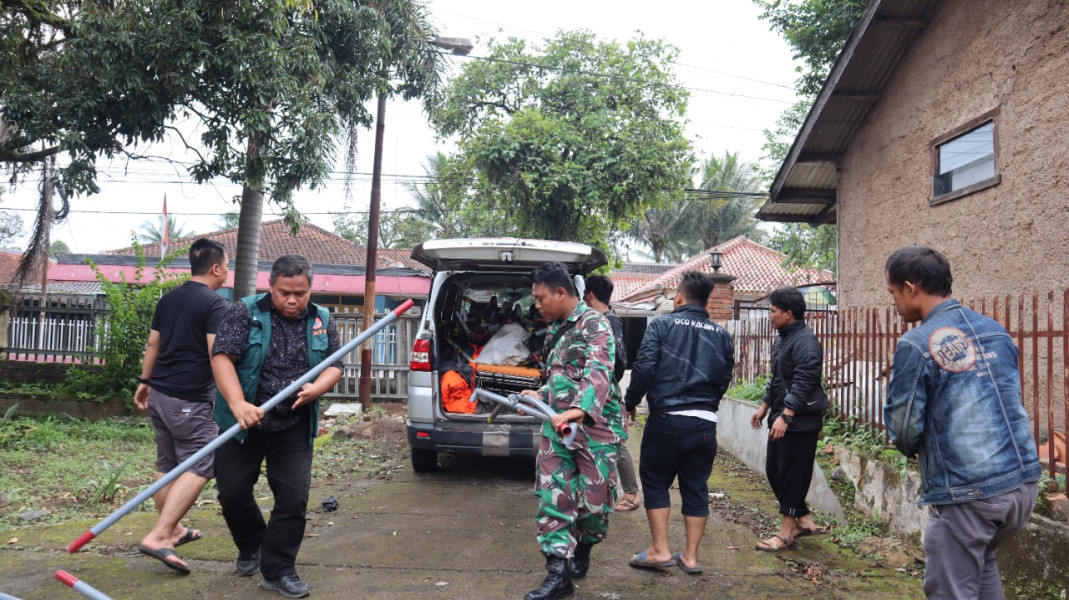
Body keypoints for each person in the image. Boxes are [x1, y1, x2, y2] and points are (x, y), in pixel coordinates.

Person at [883, 246, 1041, 600]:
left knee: (950, 591)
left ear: (911, 288)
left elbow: (904, 428)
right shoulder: (994, 330)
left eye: (892, 292)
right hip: (1022, 485)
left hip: (970, 495)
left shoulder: (917, 343)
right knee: (981, 568)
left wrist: (908, 446)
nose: (893, 302)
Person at [211, 254, 343, 599]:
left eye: (300, 292)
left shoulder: (322, 319)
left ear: (310, 288)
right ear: (270, 285)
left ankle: (279, 569)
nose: (292, 300)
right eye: (284, 292)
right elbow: (222, 356)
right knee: (233, 491)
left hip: (293, 424)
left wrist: (319, 387)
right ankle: (253, 542)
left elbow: (335, 364)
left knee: (293, 498)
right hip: (245, 423)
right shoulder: (245, 312)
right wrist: (238, 403)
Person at [519, 262, 622, 600]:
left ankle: (584, 546)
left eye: (540, 298)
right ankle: (557, 574)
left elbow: (599, 370)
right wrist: (541, 395)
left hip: (596, 429)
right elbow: (560, 379)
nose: (536, 305)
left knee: (594, 508)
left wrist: (579, 411)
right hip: (558, 428)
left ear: (561, 293)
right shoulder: (555, 330)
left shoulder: (596, 324)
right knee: (554, 498)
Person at [624, 270, 734, 576]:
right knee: (696, 487)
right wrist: (707, 405)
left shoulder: (662, 324)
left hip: (666, 420)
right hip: (704, 424)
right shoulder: (722, 335)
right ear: (707, 299)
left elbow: (644, 368)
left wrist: (631, 401)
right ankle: (691, 557)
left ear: (680, 297)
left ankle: (659, 551)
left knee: (657, 480)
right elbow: (725, 377)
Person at [133, 238, 229, 574]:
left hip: (159, 394)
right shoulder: (215, 304)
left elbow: (153, 343)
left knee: (170, 462)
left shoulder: (169, 298)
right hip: (188, 398)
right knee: (204, 460)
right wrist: (235, 397)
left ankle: (172, 529)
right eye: (226, 265)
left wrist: (144, 382)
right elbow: (216, 355)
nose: (227, 271)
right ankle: (159, 535)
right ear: (216, 268)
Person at [750, 287, 827, 552]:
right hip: (781, 415)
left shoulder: (806, 342)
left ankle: (786, 533)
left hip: (800, 421)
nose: (769, 316)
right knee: (775, 471)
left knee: (793, 474)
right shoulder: (783, 337)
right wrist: (764, 407)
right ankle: (803, 520)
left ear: (788, 313)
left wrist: (787, 415)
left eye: (772, 311)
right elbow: (777, 378)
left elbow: (806, 381)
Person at [583, 275, 640, 512]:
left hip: (606, 392)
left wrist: (603, 388)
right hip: (601, 391)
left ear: (589, 295)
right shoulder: (603, 319)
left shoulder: (608, 321)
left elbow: (618, 363)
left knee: (616, 441)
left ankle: (631, 493)